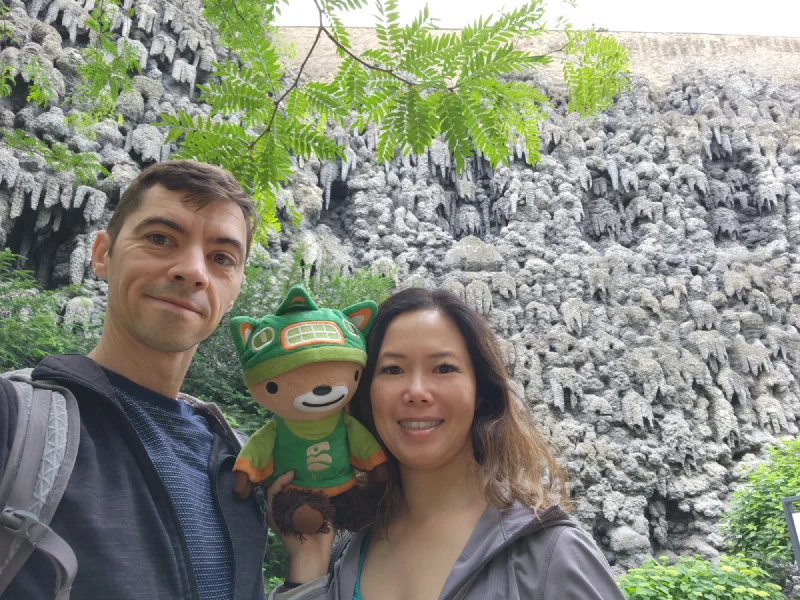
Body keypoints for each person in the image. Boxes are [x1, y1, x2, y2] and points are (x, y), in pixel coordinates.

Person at [0, 160, 268, 600]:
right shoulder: (17, 421)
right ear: (103, 254)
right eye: (160, 238)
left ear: (235, 286)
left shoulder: (241, 462)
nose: (193, 271)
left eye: (222, 258)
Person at [268, 288, 625, 600]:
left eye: (443, 369)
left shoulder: (548, 552)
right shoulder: (349, 550)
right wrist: (309, 564)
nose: (417, 392)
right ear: (365, 395)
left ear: (480, 393)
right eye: (392, 369)